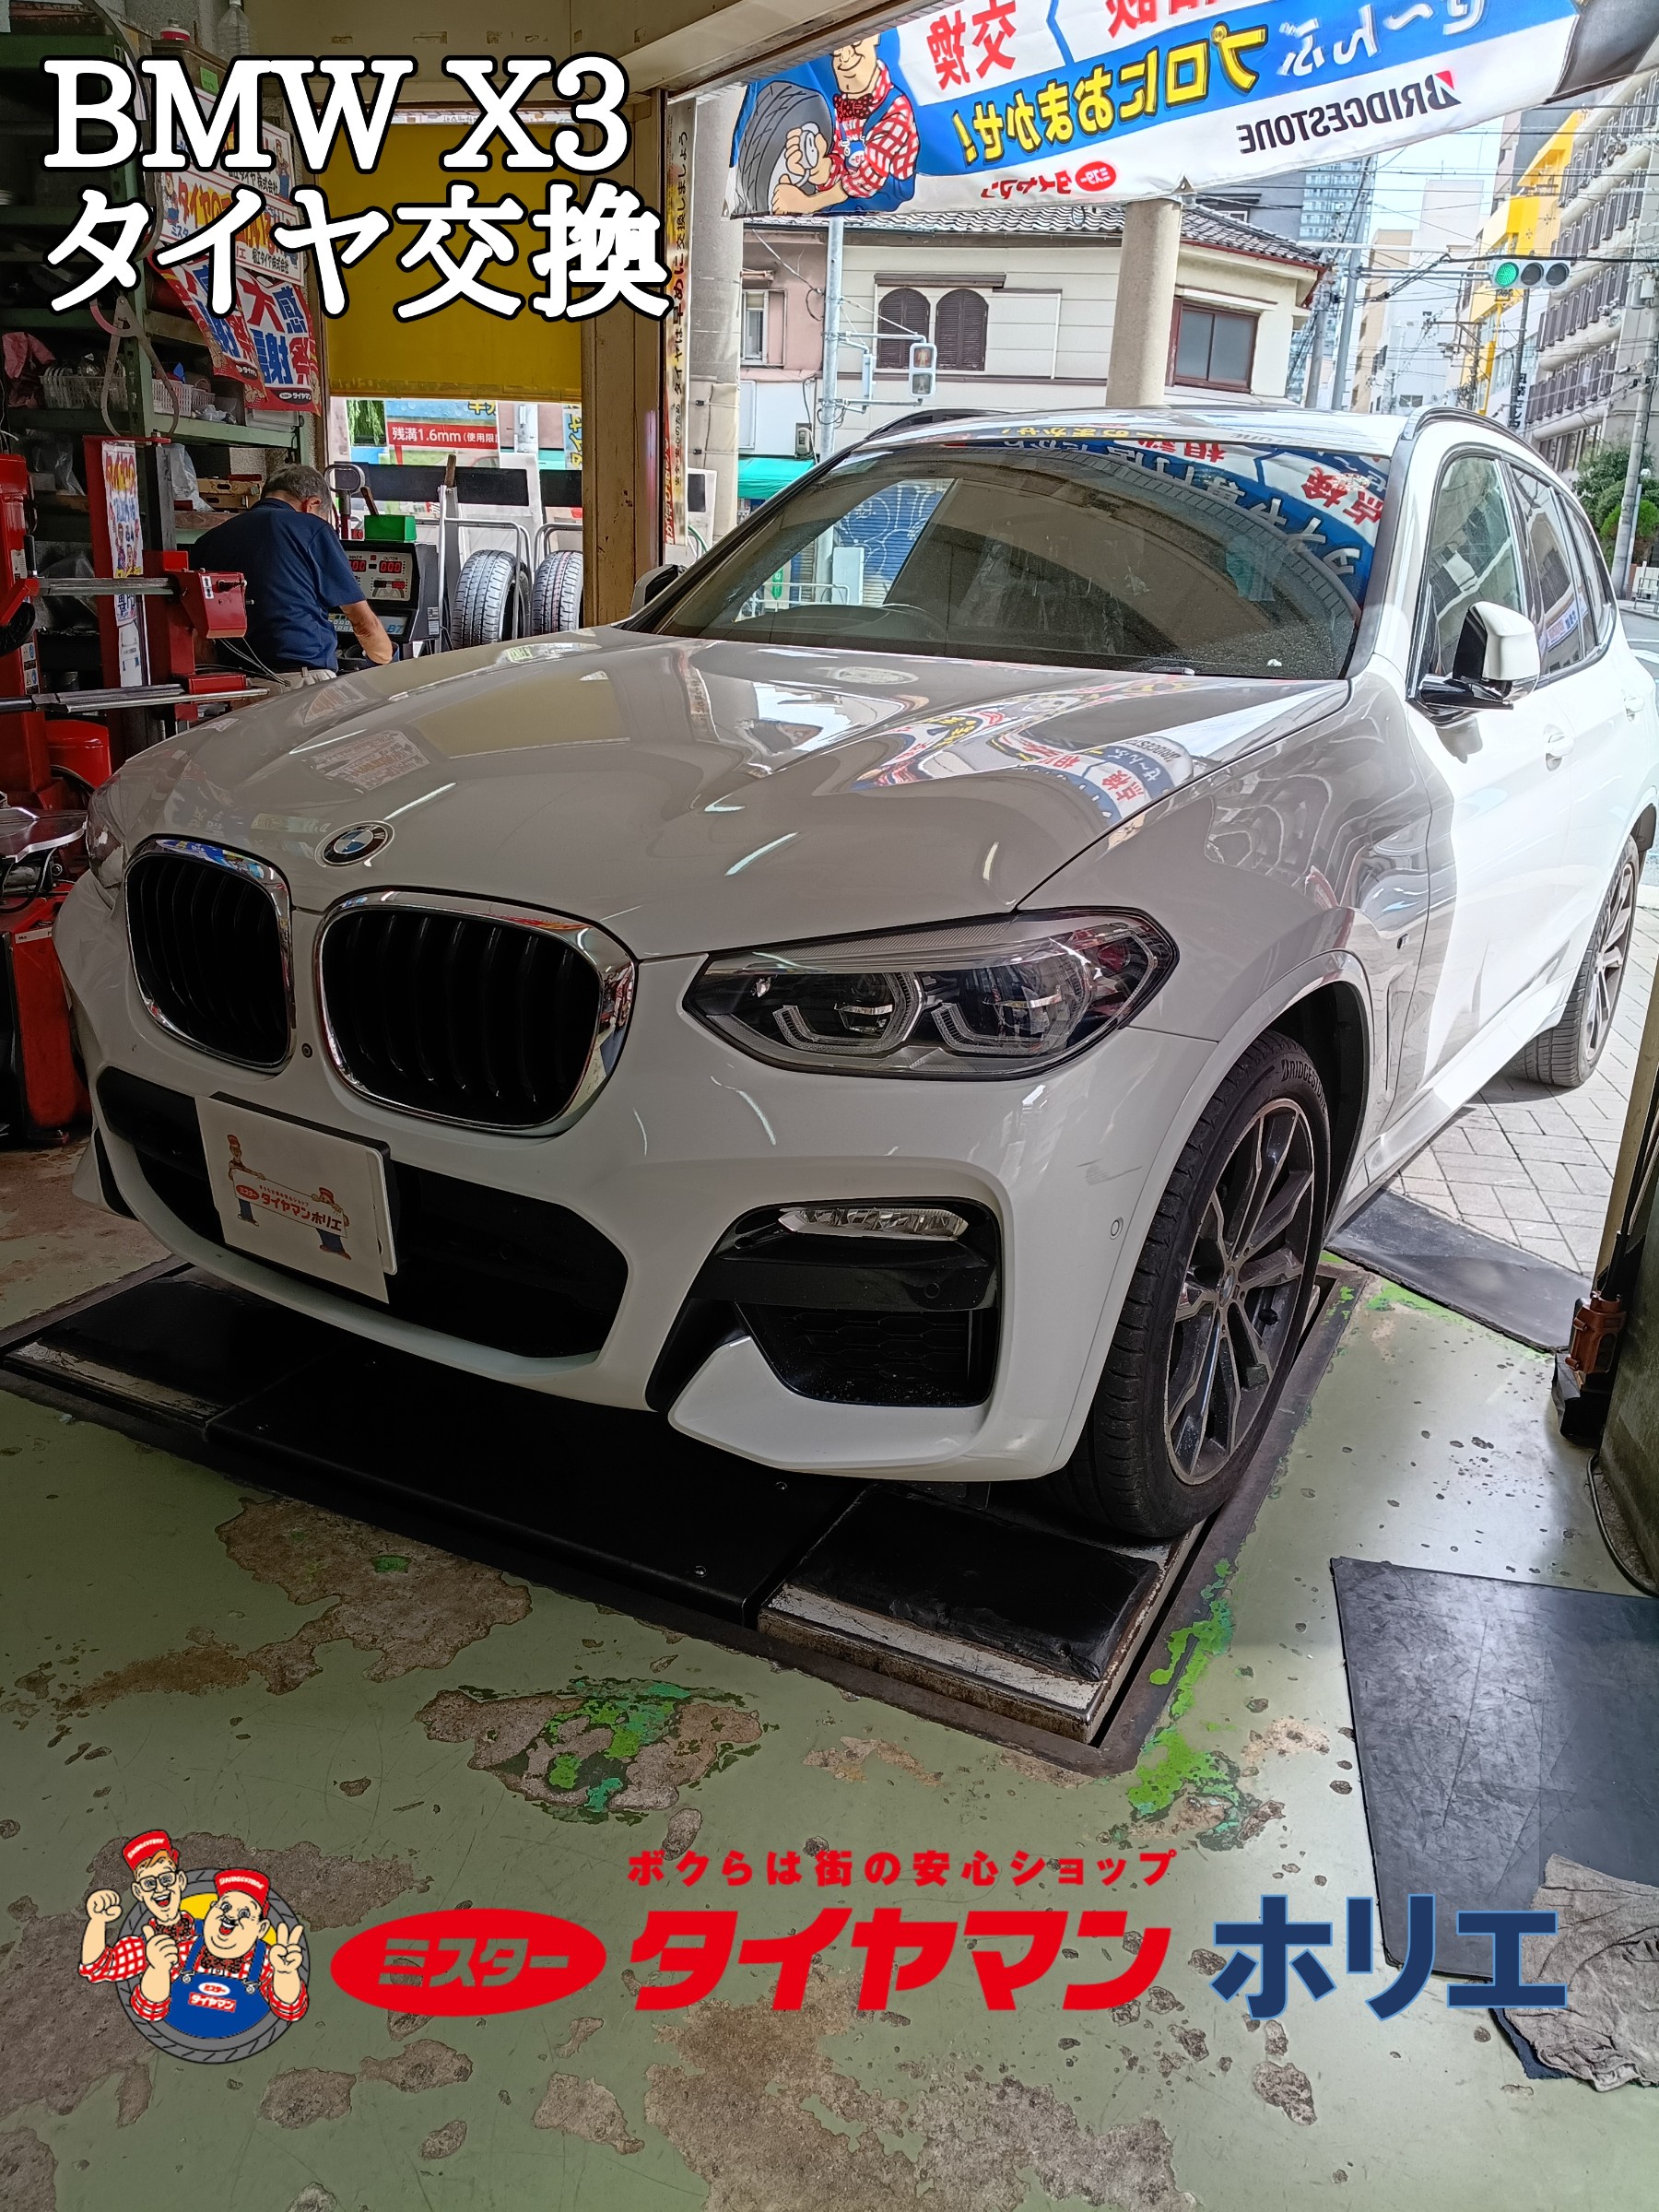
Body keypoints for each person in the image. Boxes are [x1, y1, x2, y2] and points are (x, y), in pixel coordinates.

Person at [189, 464, 392, 688]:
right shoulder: (311, 528)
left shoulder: (208, 541)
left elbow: (198, 637)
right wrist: (386, 660)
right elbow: (364, 623)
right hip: (300, 680)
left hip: (235, 684)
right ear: (312, 504)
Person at [131, 1866, 308, 2036]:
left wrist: (285, 1974)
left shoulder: (268, 1961)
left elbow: (289, 2010)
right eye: (225, 1907)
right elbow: (149, 2009)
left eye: (244, 1914)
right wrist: (157, 1970)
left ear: (261, 1929)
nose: (230, 1917)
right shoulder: (182, 1950)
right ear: (210, 1909)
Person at [771, 38, 919, 216]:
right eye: (837, 53)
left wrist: (809, 203)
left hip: (889, 206)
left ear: (874, 39)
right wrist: (818, 167)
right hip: (848, 198)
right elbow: (842, 161)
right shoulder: (845, 103)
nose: (844, 59)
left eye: (855, 45)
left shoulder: (896, 110)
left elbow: (868, 179)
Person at [79, 1828, 190, 1990]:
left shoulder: (209, 1930)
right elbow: (96, 1968)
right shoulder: (142, 1948)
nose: (160, 1889)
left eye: (166, 1879)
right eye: (149, 1883)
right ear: (138, 1892)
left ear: (180, 1881)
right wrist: (97, 1921)